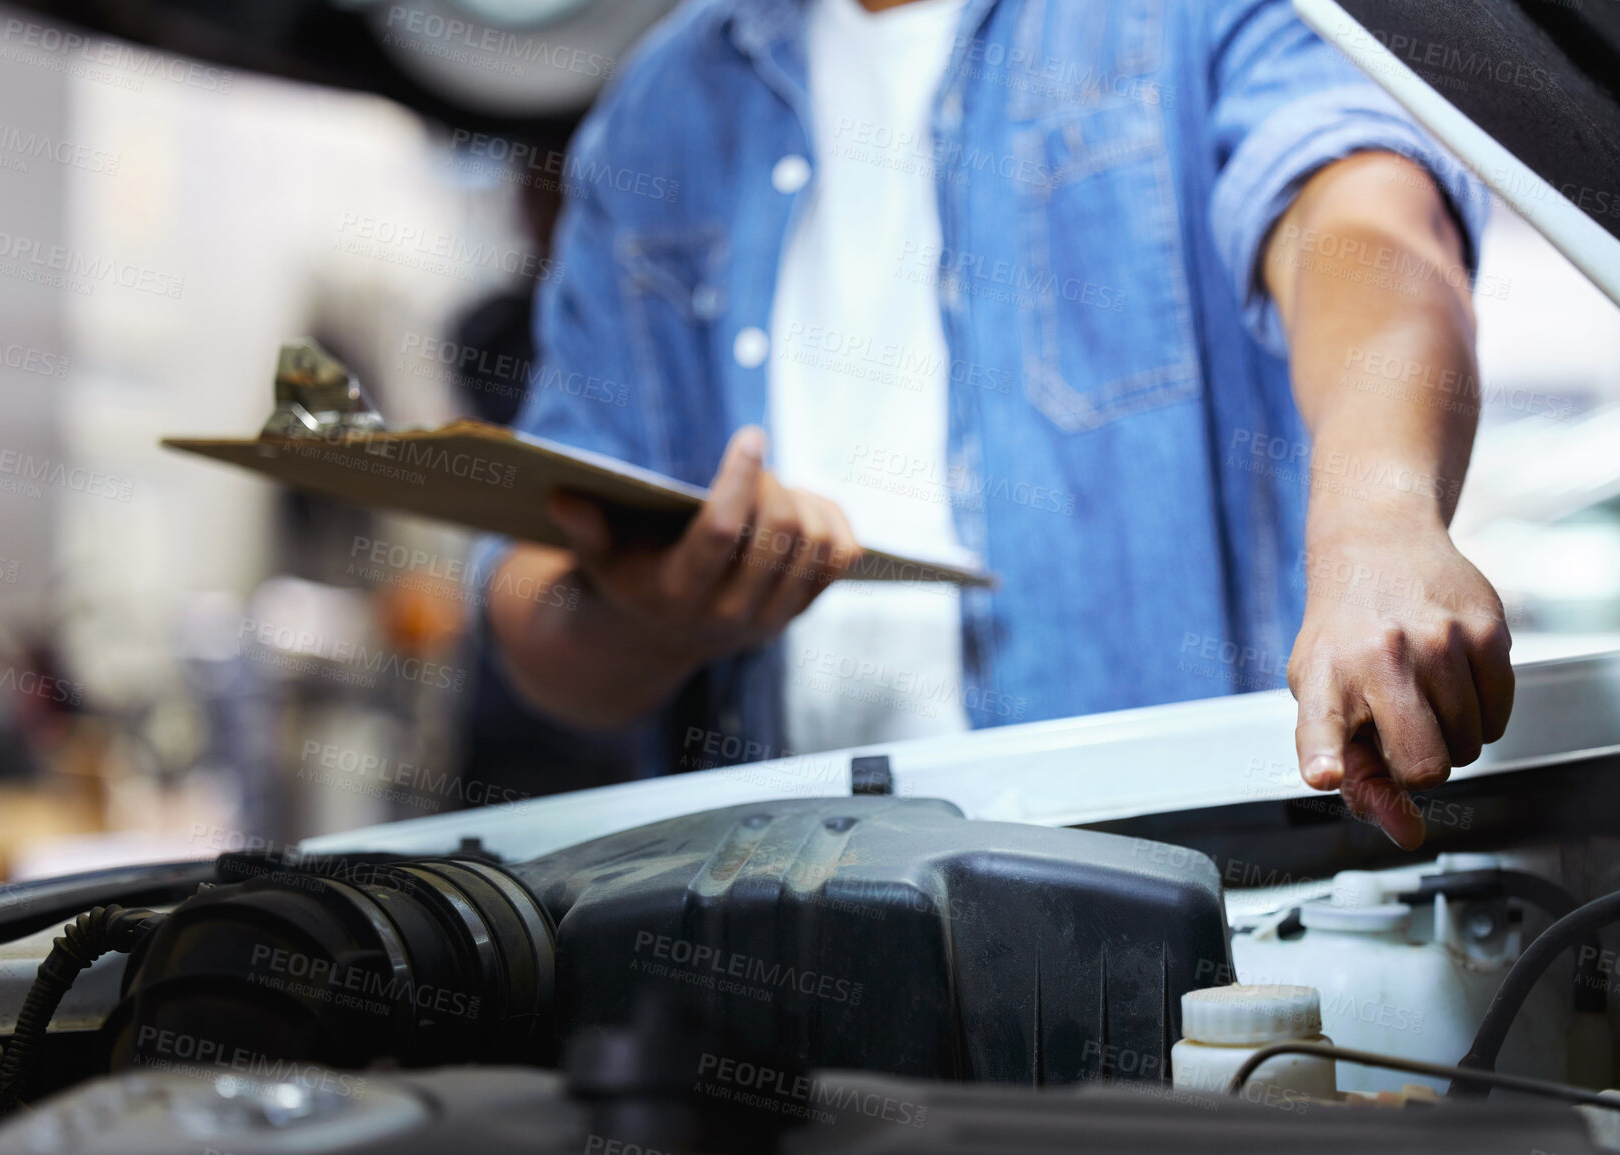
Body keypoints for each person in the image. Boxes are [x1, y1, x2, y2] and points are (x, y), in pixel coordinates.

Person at [480, 0, 1514, 851]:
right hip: (784, 924)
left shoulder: (1207, 15)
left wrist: (1378, 521)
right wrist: (660, 615)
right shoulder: (665, 103)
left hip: (1196, 909)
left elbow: (1369, 227)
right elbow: (540, 627)